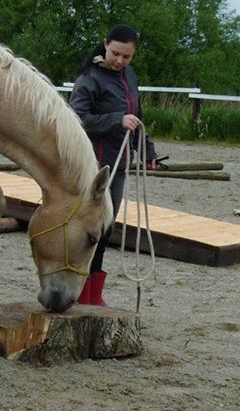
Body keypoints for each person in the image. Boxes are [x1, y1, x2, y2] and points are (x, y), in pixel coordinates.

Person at [69, 24, 160, 306]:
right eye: (116, 53)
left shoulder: (130, 77)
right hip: (93, 168)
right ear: (105, 44)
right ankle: (78, 288)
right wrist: (116, 119)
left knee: (106, 229)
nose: (120, 61)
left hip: (119, 166)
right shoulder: (89, 78)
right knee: (88, 229)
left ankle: (93, 292)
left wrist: (147, 151)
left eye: (127, 57)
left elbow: (138, 116)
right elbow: (76, 119)